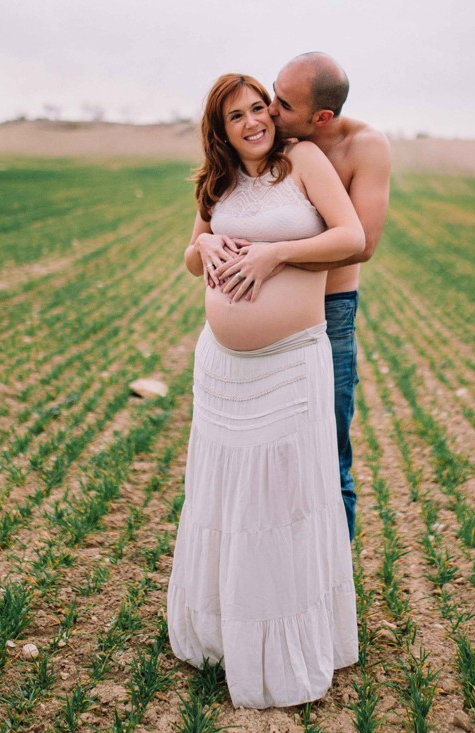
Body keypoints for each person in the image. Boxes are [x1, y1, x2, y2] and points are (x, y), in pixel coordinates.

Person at [166, 73, 364, 709]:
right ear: (219, 130)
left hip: (289, 363)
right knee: (230, 503)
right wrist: (208, 241)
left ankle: (284, 645)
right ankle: (228, 631)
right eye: (235, 116)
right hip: (223, 369)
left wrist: (272, 256)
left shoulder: (301, 160)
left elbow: (351, 238)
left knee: (282, 502)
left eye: (259, 108)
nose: (252, 122)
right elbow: (191, 259)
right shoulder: (217, 181)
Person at [263, 52, 392, 541]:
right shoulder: (272, 136)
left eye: (284, 103)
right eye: (274, 92)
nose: (270, 110)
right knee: (270, 453)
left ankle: (335, 584)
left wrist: (272, 257)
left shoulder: (365, 147)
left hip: (330, 313)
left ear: (322, 118)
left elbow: (364, 245)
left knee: (329, 452)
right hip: (268, 315)